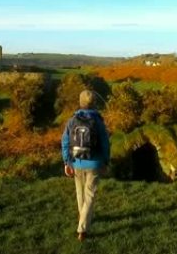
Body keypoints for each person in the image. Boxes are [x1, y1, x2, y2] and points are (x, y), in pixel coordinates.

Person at [61, 89, 110, 242]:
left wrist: (66, 161)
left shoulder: (72, 120)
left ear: (80, 102)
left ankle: (83, 219)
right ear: (94, 103)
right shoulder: (98, 121)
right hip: (94, 163)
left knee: (80, 193)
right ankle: (82, 229)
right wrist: (106, 161)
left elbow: (65, 142)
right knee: (90, 195)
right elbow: (105, 143)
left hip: (76, 162)